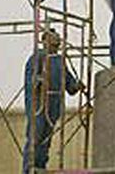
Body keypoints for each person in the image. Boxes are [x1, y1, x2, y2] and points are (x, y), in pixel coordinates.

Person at [22, 29, 84, 174]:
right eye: (52, 38)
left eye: (57, 38)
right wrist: (39, 80)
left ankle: (40, 167)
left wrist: (77, 85)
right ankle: (28, 169)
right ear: (44, 41)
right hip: (38, 105)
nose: (57, 40)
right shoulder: (37, 57)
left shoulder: (60, 61)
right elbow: (31, 81)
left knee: (46, 140)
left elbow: (70, 85)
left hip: (53, 106)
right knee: (35, 138)